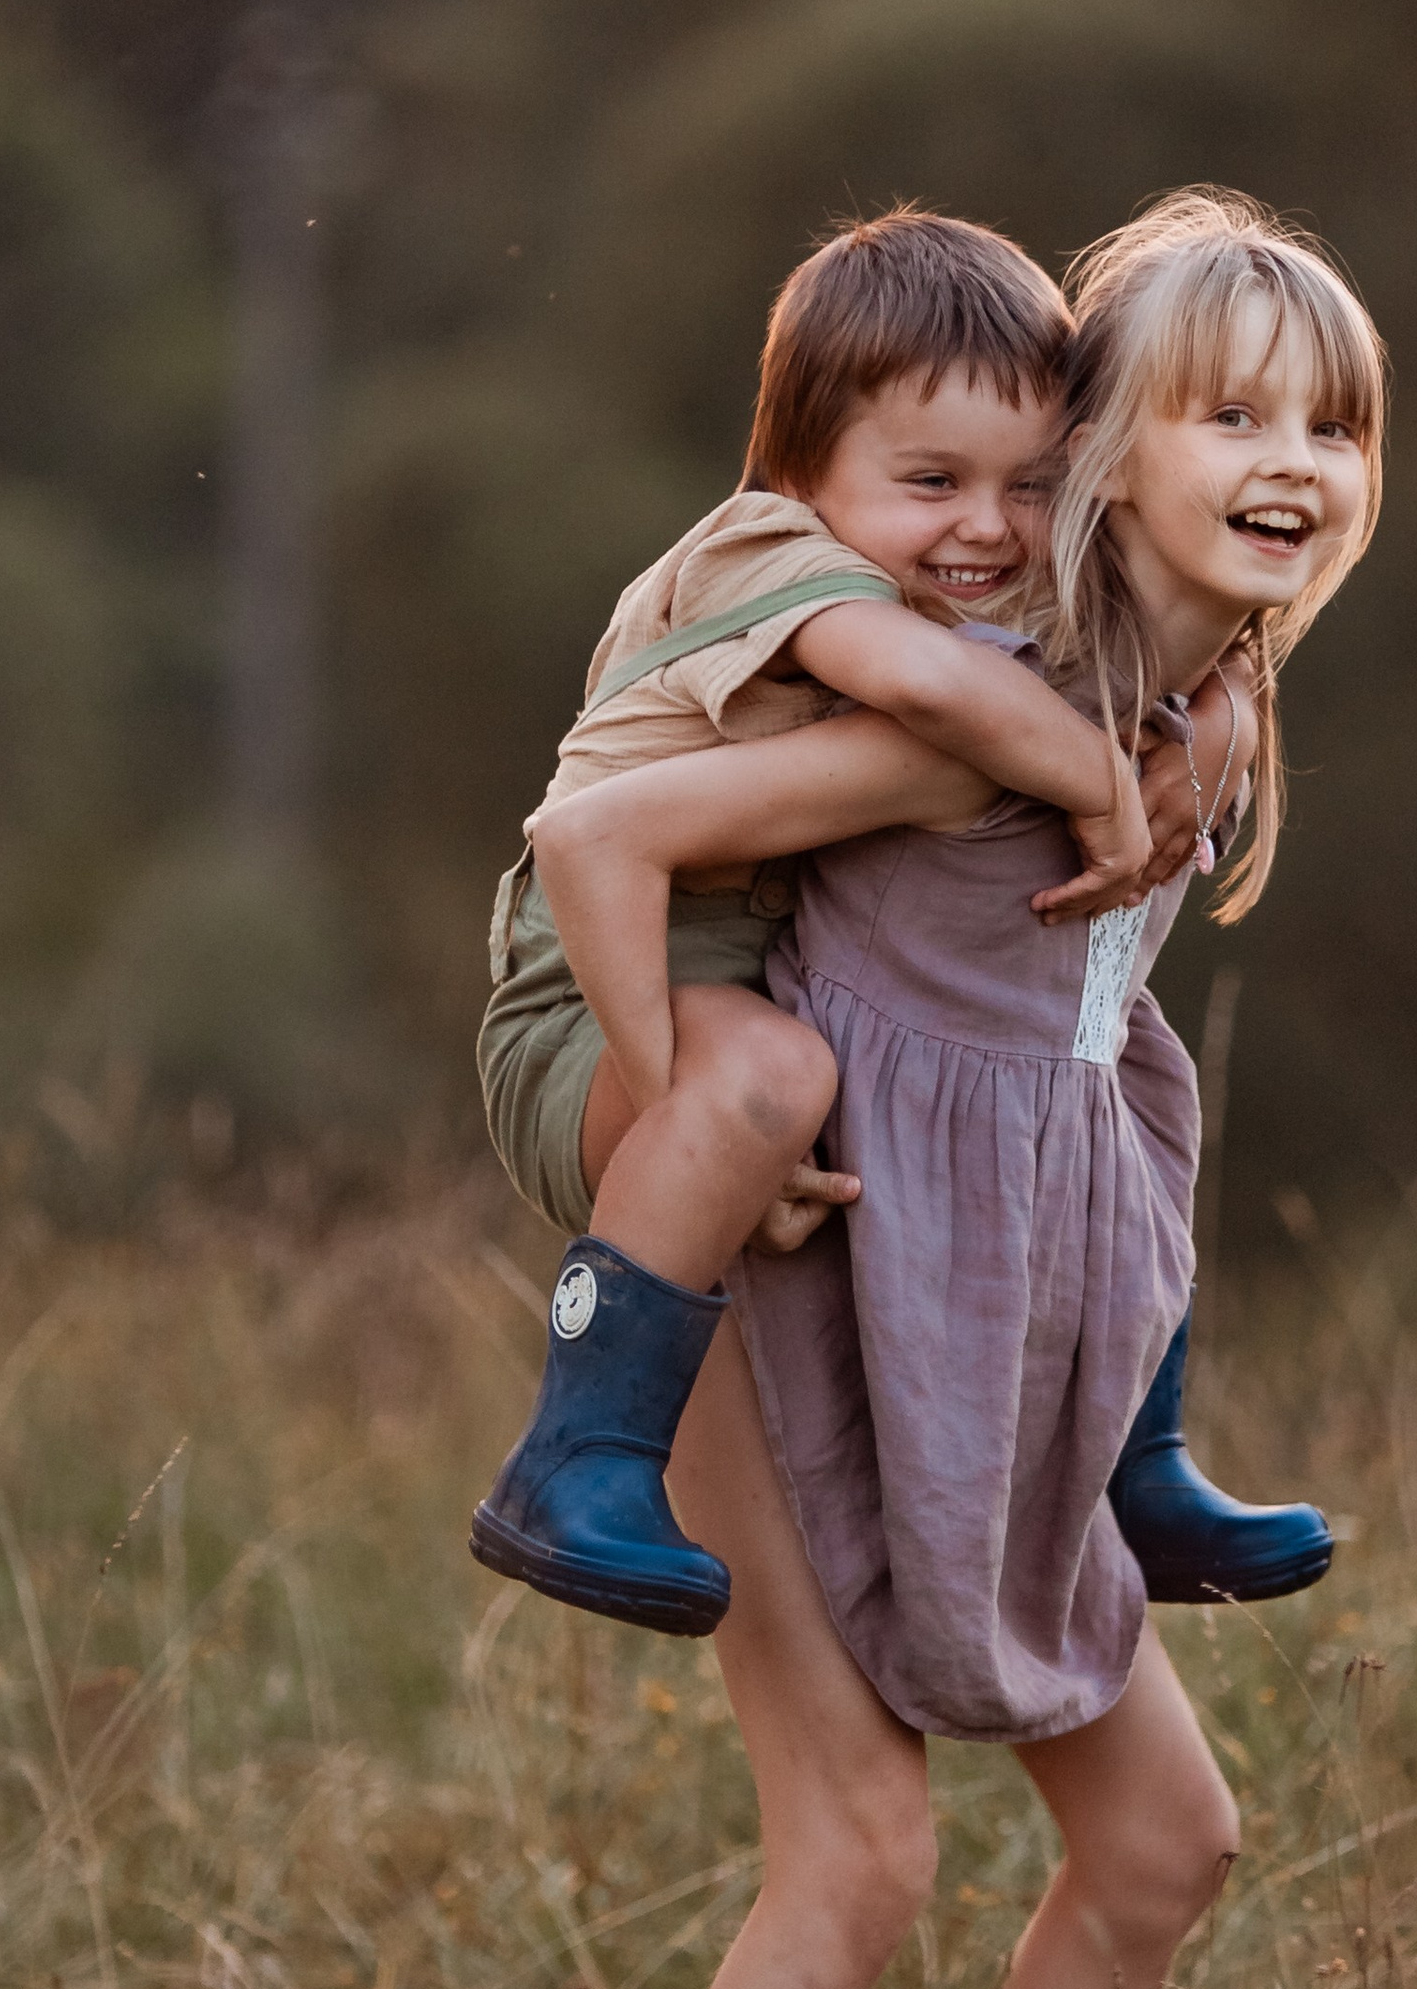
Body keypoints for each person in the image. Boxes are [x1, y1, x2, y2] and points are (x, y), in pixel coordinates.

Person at [540, 189, 1387, 1989]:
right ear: (1114, 448)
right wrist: (676, 1103)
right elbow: (613, 834)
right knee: (860, 1843)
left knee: (1165, 1843)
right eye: (1229, 415)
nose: (1291, 461)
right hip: (796, 1295)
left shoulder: (1188, 705)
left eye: (1333, 426)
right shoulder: (970, 713)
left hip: (991, 1320)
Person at [467, 206, 1312, 1642]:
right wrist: (1104, 786)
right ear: (806, 474)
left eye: (1032, 484)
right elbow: (935, 696)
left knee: (1112, 1060)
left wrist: (1220, 712)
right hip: (600, 986)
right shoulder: (768, 558)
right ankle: (577, 1458)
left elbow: (1176, 635)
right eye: (932, 479)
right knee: (771, 1082)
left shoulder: (956, 575)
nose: (986, 525)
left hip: (753, 973)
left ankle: (1137, 1458)